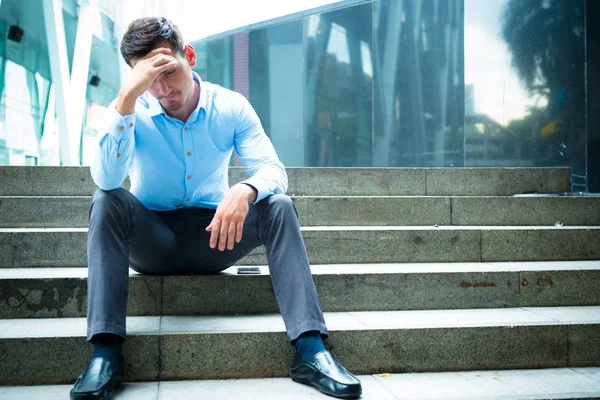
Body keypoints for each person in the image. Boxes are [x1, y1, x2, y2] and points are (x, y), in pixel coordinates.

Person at [70, 17, 362, 400]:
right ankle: (106, 356)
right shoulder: (130, 108)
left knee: (279, 206)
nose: (161, 89)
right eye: (147, 78)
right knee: (105, 200)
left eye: (167, 71)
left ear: (188, 55)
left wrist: (245, 189)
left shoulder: (230, 106)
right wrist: (126, 99)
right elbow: (107, 179)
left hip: (216, 238)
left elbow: (273, 170)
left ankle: (310, 350)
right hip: (152, 240)